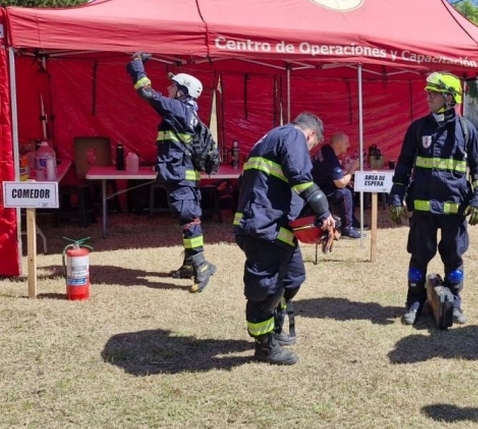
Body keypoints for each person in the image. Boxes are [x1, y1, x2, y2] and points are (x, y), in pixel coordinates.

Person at [233, 112, 337, 365]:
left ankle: (275, 324)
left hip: (273, 226)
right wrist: (324, 213)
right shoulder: (293, 136)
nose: (308, 151)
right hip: (264, 228)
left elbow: (279, 186)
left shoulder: (269, 139)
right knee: (265, 288)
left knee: (292, 278)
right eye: (311, 146)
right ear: (311, 135)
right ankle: (265, 346)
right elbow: (301, 179)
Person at [388, 71, 478, 326]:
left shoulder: (467, 130)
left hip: (455, 208)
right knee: (420, 255)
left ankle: (454, 302)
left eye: (433, 93)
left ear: (449, 97)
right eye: (428, 92)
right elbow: (403, 166)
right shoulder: (418, 128)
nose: (427, 96)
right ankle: (415, 300)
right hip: (422, 206)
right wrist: (396, 197)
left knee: (453, 256)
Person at [126, 52, 216, 293]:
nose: (168, 87)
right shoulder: (186, 112)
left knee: (189, 219)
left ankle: (201, 264)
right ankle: (189, 264)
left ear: (183, 92)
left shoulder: (179, 110)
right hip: (180, 176)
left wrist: (136, 67)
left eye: (173, 85)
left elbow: (147, 93)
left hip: (180, 177)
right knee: (185, 218)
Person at [311, 131, 362, 239]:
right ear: (338, 143)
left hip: (317, 184)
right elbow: (340, 183)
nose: (348, 145)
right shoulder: (330, 157)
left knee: (348, 186)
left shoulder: (326, 150)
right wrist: (353, 168)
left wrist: (346, 180)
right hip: (317, 189)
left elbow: (331, 175)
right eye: (346, 143)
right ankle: (347, 229)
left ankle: (350, 220)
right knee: (345, 192)